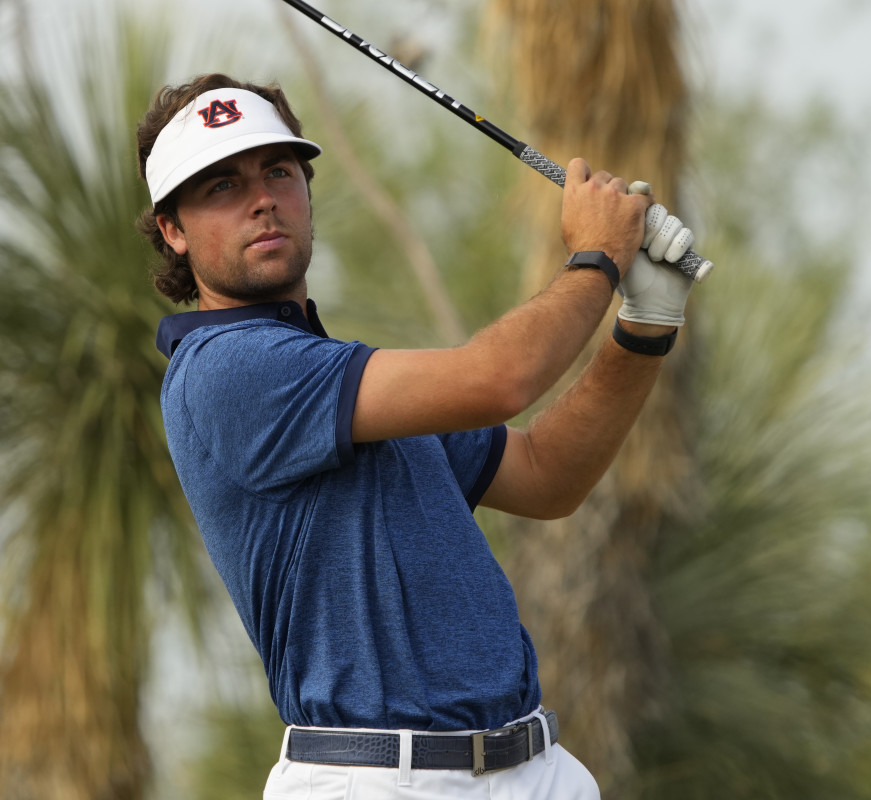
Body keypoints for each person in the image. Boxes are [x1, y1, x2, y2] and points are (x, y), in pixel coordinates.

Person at [135, 73, 698, 800]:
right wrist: (597, 257)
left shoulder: (347, 379)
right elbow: (502, 378)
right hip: (375, 778)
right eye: (220, 186)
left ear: (306, 189)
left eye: (277, 171)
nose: (261, 198)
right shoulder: (226, 370)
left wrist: (643, 325)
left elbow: (546, 474)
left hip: (535, 769)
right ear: (173, 232)